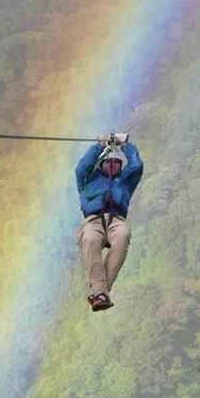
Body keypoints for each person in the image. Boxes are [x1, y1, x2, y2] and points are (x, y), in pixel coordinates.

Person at [75, 133, 144, 311]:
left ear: (120, 166)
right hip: (93, 220)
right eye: (108, 162)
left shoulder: (125, 182)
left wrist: (125, 145)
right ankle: (101, 293)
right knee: (90, 239)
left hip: (116, 219)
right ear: (101, 164)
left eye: (116, 163)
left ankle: (100, 292)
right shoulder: (87, 180)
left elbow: (137, 165)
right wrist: (99, 146)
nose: (112, 166)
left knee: (123, 235)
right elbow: (81, 168)